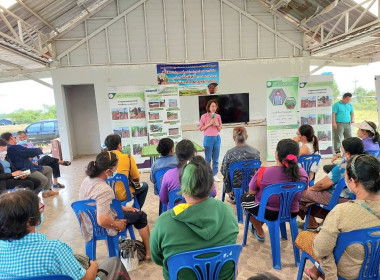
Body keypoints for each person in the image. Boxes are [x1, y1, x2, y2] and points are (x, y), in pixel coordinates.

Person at [0, 189, 130, 280]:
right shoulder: (55, 249)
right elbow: (85, 279)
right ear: (31, 220)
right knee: (114, 263)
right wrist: (94, 265)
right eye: (39, 209)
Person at [150, 156, 239, 280]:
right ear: (211, 186)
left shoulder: (164, 222)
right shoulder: (227, 212)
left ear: (183, 187)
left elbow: (157, 258)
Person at [296, 154, 380, 280]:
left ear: (352, 182)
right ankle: (315, 272)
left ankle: (317, 272)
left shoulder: (341, 212)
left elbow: (321, 250)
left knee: (305, 237)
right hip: (375, 271)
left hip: (347, 273)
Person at [79, 151, 150, 259]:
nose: (116, 171)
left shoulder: (87, 180)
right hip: (102, 224)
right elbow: (102, 220)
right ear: (107, 171)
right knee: (141, 216)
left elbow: (101, 204)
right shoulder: (104, 189)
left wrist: (124, 208)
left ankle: (112, 250)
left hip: (88, 223)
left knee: (131, 211)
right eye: (115, 169)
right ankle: (149, 253)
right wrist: (117, 224)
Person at [241, 139, 308, 241]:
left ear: (276, 154)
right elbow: (303, 194)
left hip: (269, 213)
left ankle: (259, 229)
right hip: (292, 211)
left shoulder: (263, 172)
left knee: (244, 198)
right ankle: (260, 226)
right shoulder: (303, 173)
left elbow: (252, 192)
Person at [298, 137, 364, 230]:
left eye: (342, 151)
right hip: (356, 197)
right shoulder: (365, 163)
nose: (340, 153)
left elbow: (322, 185)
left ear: (348, 154)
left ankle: (312, 224)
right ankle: (323, 223)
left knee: (300, 194)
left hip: (338, 198)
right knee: (311, 197)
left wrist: (310, 189)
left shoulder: (344, 166)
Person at [159, 139, 217, 209]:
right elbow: (213, 193)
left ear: (177, 156)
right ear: (194, 153)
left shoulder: (168, 175)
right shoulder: (205, 172)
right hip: (202, 213)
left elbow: (163, 199)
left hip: (176, 215)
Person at [1, 132, 57, 198]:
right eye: (17, 137)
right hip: (24, 169)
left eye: (24, 137)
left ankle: (46, 191)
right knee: (43, 180)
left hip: (25, 168)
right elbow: (28, 152)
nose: (5, 149)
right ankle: (33, 196)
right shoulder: (13, 148)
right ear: (11, 137)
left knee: (48, 168)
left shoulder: (9, 152)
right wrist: (39, 149)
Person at [104, 134, 148, 208]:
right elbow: (136, 179)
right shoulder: (127, 157)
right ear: (119, 145)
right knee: (145, 186)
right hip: (124, 195)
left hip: (107, 195)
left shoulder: (102, 159)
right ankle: (134, 209)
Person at [221, 126, 260, 204]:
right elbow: (257, 171)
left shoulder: (230, 153)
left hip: (235, 186)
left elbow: (223, 171)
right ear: (247, 137)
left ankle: (233, 196)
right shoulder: (256, 152)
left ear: (233, 138)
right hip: (251, 185)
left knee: (227, 173)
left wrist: (229, 188)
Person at [199, 99, 222, 181]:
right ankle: (207, 175)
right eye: (212, 106)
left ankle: (215, 174)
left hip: (217, 138)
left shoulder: (218, 116)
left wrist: (216, 124)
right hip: (208, 138)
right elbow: (201, 128)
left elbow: (219, 129)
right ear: (208, 107)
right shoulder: (204, 116)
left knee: (216, 158)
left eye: (215, 106)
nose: (214, 108)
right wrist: (209, 124)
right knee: (208, 158)